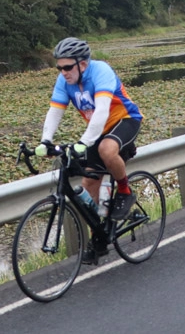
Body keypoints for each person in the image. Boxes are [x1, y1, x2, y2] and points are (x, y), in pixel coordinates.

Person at [35, 37, 143, 262]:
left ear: (82, 64)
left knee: (106, 148)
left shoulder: (100, 71)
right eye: (59, 67)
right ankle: (99, 240)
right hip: (98, 130)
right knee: (88, 189)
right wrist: (45, 140)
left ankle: (124, 190)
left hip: (124, 120)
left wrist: (83, 142)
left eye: (67, 67)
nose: (63, 72)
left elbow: (102, 110)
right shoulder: (64, 81)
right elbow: (55, 111)